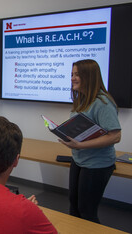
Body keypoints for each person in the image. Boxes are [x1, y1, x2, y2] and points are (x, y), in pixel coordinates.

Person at [59, 59, 121, 223]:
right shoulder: (82, 99)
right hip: (79, 160)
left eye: (77, 74)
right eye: (72, 74)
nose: (72, 78)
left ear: (89, 76)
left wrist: (80, 145)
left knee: (87, 211)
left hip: (97, 165)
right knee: (74, 207)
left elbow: (115, 136)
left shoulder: (103, 103)